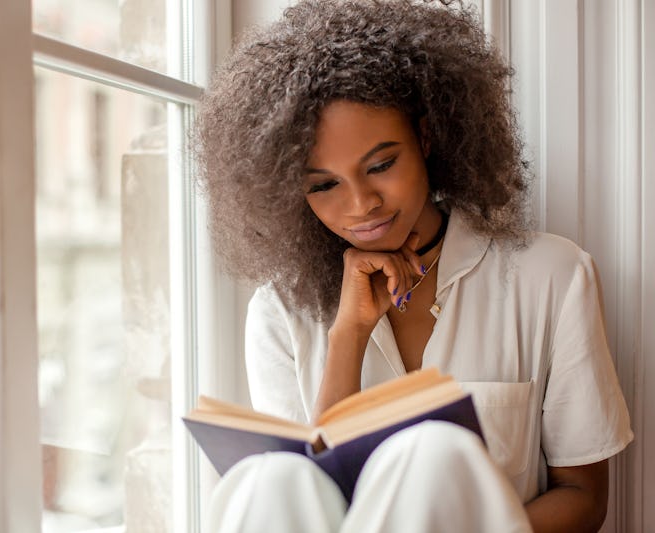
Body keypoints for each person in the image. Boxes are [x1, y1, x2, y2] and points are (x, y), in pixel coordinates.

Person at [193, 0, 633, 531]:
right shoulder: (279, 310)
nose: (361, 205)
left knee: (430, 453)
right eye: (324, 185)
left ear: (425, 139)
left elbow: (583, 496)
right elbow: (309, 502)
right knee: (269, 479)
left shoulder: (552, 276)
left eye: (380, 165)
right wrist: (348, 336)